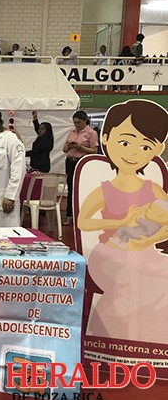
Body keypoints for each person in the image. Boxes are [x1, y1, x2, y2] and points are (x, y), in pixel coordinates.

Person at [77, 99, 168, 344]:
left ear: (157, 149)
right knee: (136, 280)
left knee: (160, 278)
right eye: (125, 142)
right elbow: (83, 222)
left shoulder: (153, 189)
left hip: (144, 251)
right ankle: (107, 335)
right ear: (106, 139)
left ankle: (147, 338)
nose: (133, 153)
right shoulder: (104, 190)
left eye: (145, 146)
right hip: (109, 252)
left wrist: (148, 240)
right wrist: (121, 222)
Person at [62, 110, 99, 225]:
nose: (76, 125)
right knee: (70, 188)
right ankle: (69, 214)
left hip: (81, 162)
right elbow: (64, 150)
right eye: (75, 122)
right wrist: (69, 145)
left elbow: (94, 150)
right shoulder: (71, 132)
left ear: (85, 121)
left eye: (79, 122)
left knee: (81, 189)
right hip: (70, 161)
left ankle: (82, 215)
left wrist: (80, 147)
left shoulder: (91, 133)